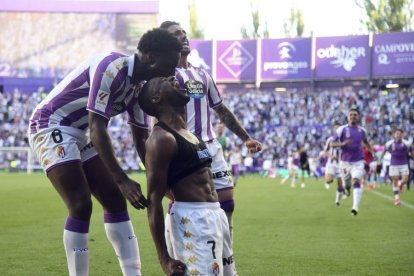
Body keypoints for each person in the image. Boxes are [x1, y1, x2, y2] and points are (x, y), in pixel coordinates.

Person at [27, 28, 182, 276]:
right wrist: (122, 179)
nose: (173, 72)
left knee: (114, 200)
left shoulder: (140, 87)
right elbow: (97, 127)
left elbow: (141, 140)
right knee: (80, 203)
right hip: (51, 124)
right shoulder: (111, 68)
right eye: (170, 65)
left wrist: (160, 185)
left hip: (81, 131)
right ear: (151, 58)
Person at [160, 21, 262, 240]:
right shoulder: (164, 77)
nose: (183, 36)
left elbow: (221, 109)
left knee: (227, 203)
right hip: (183, 149)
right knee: (183, 202)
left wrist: (246, 138)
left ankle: (226, 261)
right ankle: (177, 252)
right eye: (176, 34)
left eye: (184, 33)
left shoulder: (203, 75)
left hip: (210, 146)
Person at [139, 76, 236, 276]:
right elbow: (154, 202)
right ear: (157, 99)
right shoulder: (161, 139)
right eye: (165, 80)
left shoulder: (189, 133)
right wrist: (164, 259)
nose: (173, 78)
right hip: (193, 219)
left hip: (215, 215)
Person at [331, 107, 377, 216]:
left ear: (358, 117)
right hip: (344, 163)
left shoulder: (362, 131)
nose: (353, 116)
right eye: (351, 114)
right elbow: (332, 143)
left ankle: (355, 207)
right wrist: (342, 144)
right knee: (347, 185)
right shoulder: (341, 129)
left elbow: (365, 142)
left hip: (358, 162)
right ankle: (347, 190)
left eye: (355, 115)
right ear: (347, 117)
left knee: (356, 180)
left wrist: (372, 152)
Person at [379, 128, 413, 205]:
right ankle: (397, 199)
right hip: (393, 164)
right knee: (395, 180)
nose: (399, 135)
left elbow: (412, 151)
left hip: (404, 164)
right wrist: (379, 160)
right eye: (397, 134)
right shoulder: (389, 143)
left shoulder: (407, 143)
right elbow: (383, 152)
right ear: (394, 135)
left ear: (402, 135)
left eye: (400, 134)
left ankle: (400, 185)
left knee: (405, 180)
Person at [323, 124, 346, 206]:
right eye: (335, 128)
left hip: (341, 165)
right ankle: (326, 179)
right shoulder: (330, 139)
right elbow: (325, 151)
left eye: (338, 128)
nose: (337, 129)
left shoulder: (344, 140)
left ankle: (337, 201)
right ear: (333, 130)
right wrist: (331, 156)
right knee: (329, 180)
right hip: (331, 164)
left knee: (340, 185)